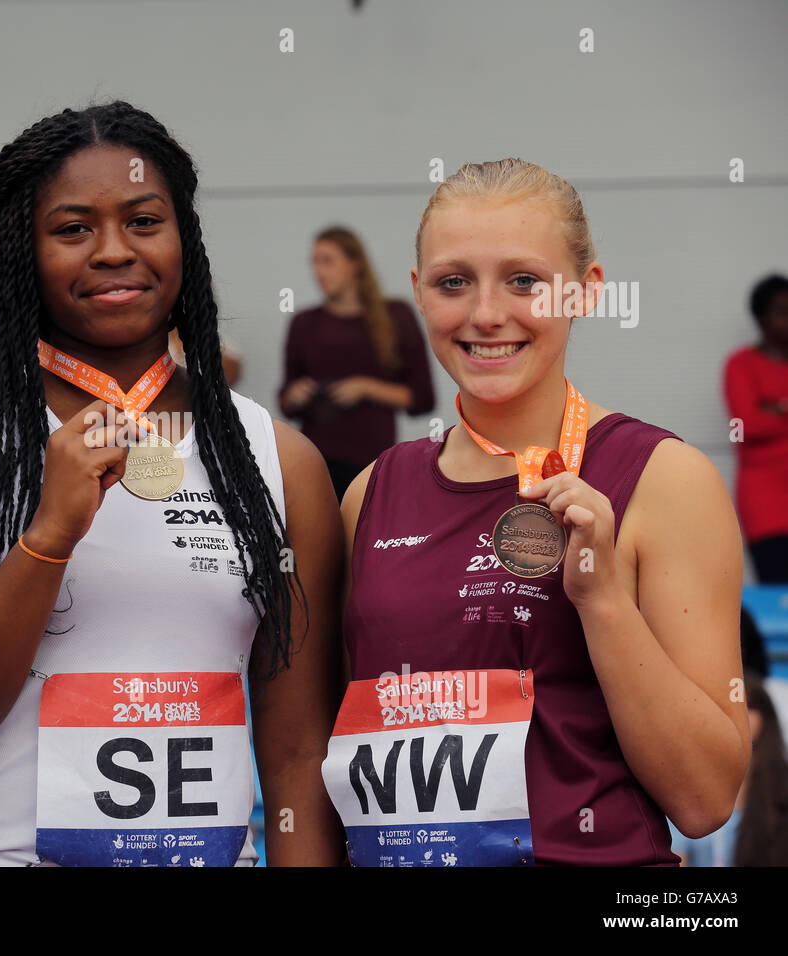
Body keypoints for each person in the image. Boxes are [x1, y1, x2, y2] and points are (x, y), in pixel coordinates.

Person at [0, 101, 346, 866]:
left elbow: (299, 754)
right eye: (72, 229)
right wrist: (47, 539)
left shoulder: (280, 460)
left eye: (143, 220)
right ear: (21, 255)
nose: (112, 251)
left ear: (183, 239)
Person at [328, 158, 750, 866]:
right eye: (453, 282)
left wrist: (605, 601)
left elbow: (705, 799)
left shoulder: (665, 478)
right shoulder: (369, 494)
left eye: (525, 280)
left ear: (585, 293)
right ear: (417, 296)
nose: (487, 313)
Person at [280, 226, 436, 497]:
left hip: (374, 463)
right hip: (317, 463)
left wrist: (365, 387)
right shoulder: (304, 323)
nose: (319, 271)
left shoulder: (395, 316)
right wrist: (295, 394)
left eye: (327, 261)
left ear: (355, 264)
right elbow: (286, 401)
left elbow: (422, 398)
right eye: (315, 262)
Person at [671, 676, 788, 866]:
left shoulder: (782, 785)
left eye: (748, 706)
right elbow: (678, 855)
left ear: (766, 716)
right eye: (728, 707)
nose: (740, 715)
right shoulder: (689, 782)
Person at [723, 273, 788, 583]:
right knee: (778, 600)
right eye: (781, 311)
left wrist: (775, 406)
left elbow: (762, 420)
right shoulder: (741, 364)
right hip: (767, 509)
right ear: (760, 318)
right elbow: (744, 425)